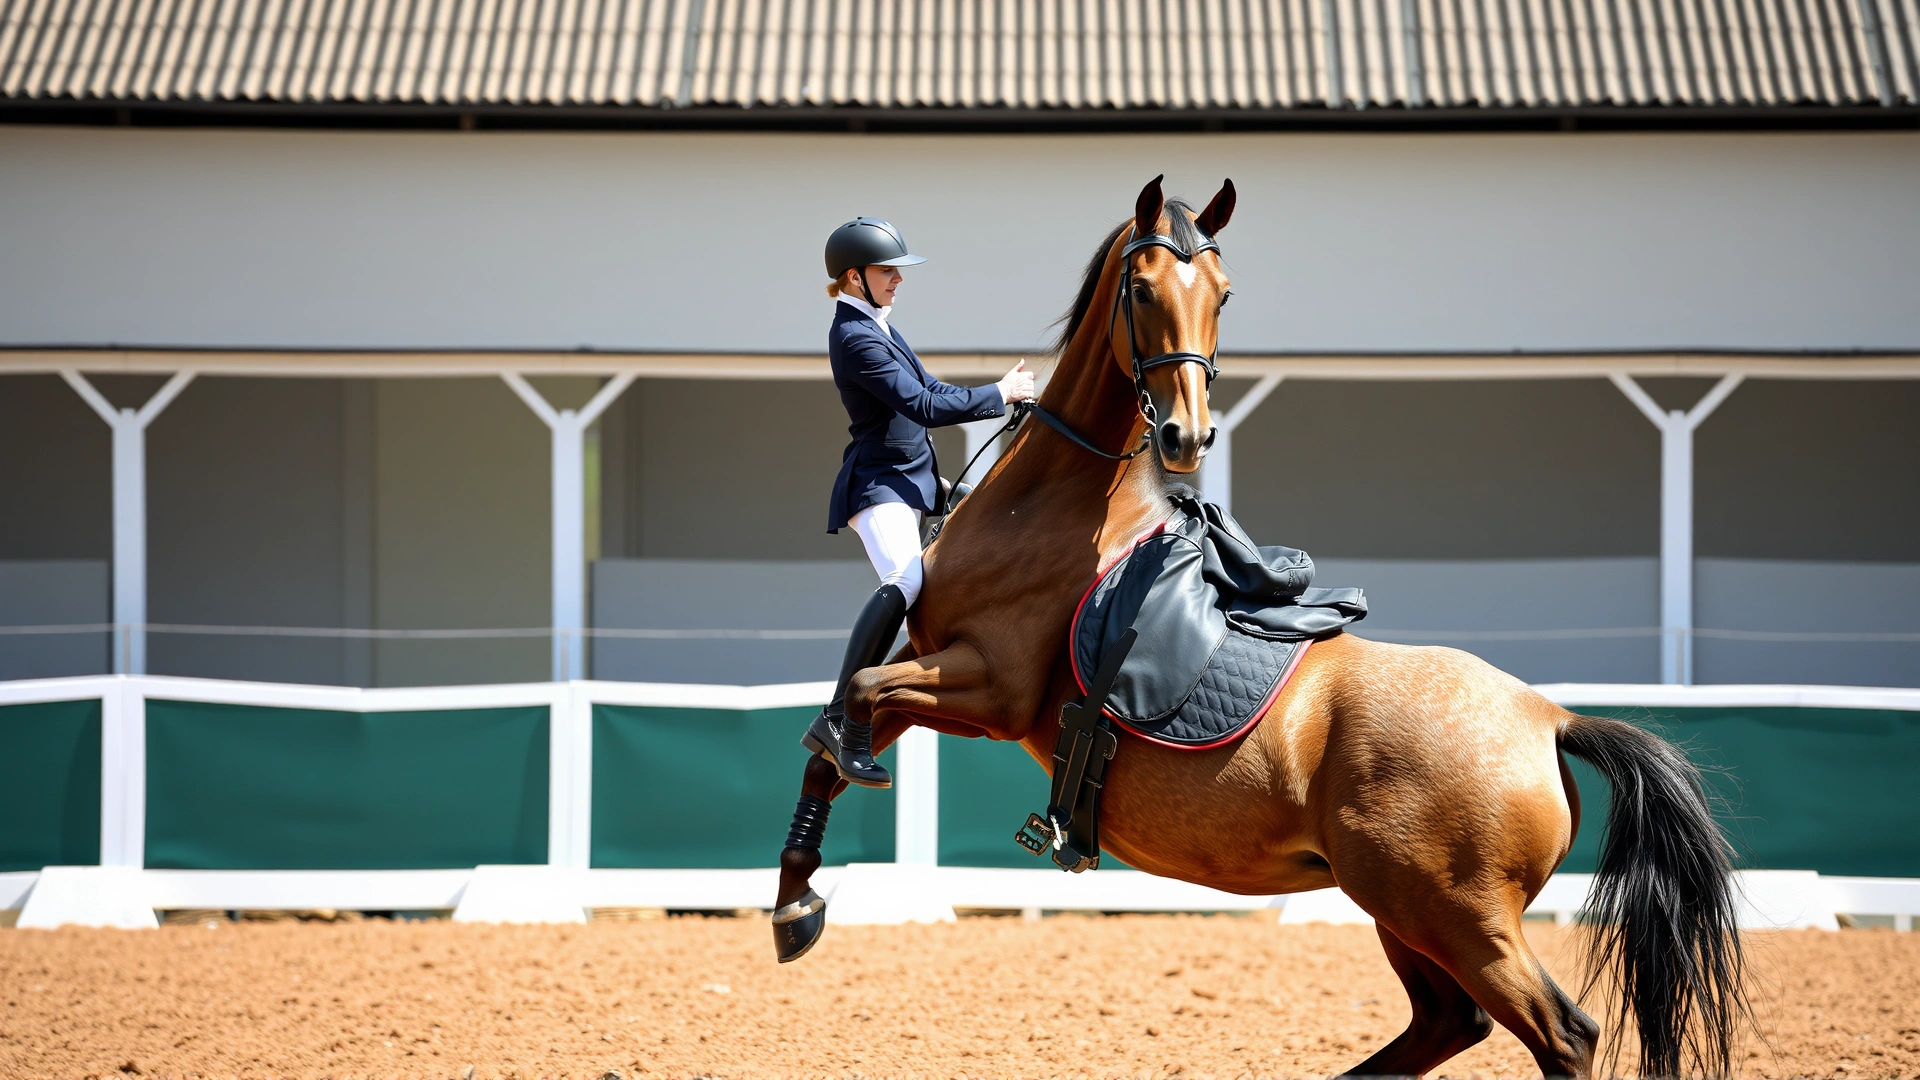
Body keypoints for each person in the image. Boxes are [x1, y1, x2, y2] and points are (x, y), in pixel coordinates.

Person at [803, 217, 1037, 788]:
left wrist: (996, 396)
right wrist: (998, 396)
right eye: (888, 271)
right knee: (906, 583)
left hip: (914, 481)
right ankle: (838, 717)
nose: (898, 281)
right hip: (879, 486)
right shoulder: (856, 337)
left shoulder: (879, 325)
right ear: (853, 278)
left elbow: (930, 390)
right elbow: (923, 406)